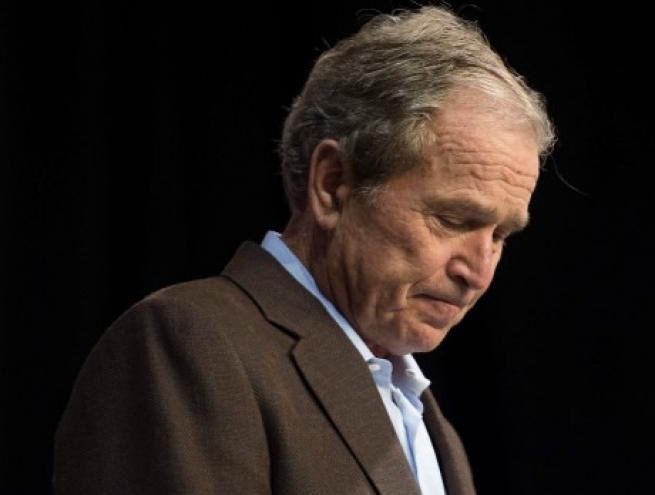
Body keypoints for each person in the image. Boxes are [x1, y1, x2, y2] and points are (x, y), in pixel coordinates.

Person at [52, 4, 556, 495]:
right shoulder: (191, 347)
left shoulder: (430, 425)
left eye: (500, 236)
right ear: (332, 185)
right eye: (452, 220)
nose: (478, 272)